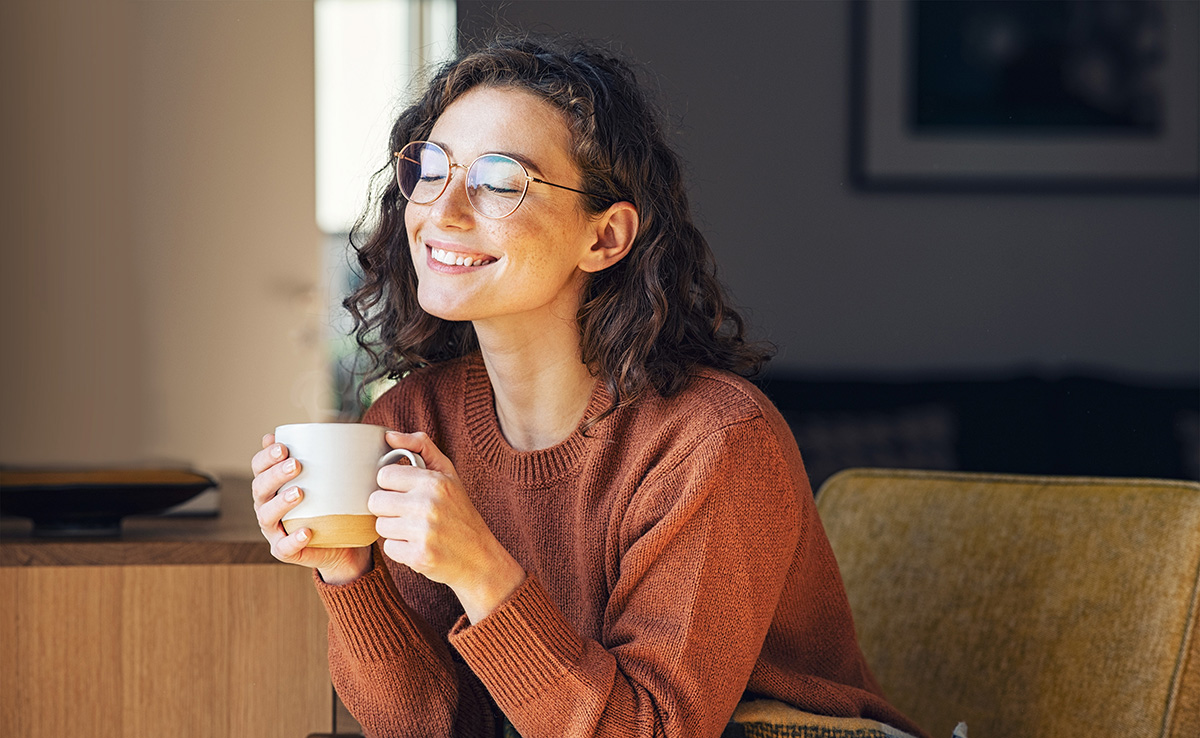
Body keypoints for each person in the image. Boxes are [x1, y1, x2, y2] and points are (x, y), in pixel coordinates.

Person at [250, 34, 927, 738]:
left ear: (604, 238)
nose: (441, 212)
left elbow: (652, 731)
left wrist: (482, 569)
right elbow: (437, 726)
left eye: (500, 180)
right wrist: (348, 574)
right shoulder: (413, 420)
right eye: (431, 168)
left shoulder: (714, 441)